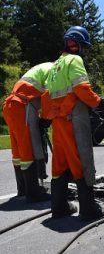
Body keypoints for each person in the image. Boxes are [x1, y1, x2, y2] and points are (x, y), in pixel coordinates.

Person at [42, 25, 104, 220]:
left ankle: (59, 208)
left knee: (60, 164)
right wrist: (99, 103)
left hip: (58, 123)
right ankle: (89, 209)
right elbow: (81, 88)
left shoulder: (55, 65)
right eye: (84, 47)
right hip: (73, 121)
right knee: (81, 161)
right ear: (77, 45)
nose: (84, 51)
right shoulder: (75, 60)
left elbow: (47, 96)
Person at [2, 62, 53, 203]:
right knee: (27, 149)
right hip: (22, 106)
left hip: (10, 105)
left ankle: (23, 189)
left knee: (18, 151)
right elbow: (49, 93)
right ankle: (33, 194)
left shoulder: (42, 68)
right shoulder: (54, 70)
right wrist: (46, 118)